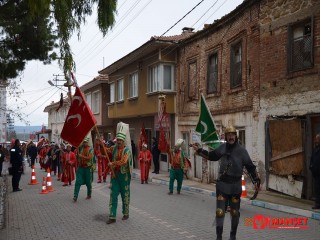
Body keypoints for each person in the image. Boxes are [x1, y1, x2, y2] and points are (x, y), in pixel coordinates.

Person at [191, 126, 260, 240]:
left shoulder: (242, 151)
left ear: (235, 136)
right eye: (229, 135)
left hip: (235, 186)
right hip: (222, 185)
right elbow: (211, 156)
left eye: (233, 135)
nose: (231, 137)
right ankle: (219, 236)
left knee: (234, 213)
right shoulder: (222, 148)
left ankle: (232, 236)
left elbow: (250, 167)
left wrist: (257, 180)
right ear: (226, 136)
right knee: (220, 212)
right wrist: (199, 150)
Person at [106, 122, 133, 224]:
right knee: (113, 195)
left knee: (125, 196)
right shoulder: (114, 148)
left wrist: (112, 163)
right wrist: (100, 144)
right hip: (114, 176)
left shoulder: (127, 151)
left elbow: (123, 162)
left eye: (121, 140)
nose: (119, 142)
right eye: (118, 140)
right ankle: (112, 216)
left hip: (124, 177)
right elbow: (107, 151)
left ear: (124, 141)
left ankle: (126, 213)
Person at [73, 137, 94, 202]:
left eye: (85, 142)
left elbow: (89, 158)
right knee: (78, 181)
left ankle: (89, 194)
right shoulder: (80, 148)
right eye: (84, 142)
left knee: (88, 183)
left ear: (87, 142)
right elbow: (77, 157)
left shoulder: (90, 149)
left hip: (88, 168)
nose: (84, 143)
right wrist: (77, 155)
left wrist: (81, 156)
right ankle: (75, 196)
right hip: (81, 168)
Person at [309, 133, 320, 210]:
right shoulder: (315, 148)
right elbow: (312, 159)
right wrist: (311, 166)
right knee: (317, 189)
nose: (316, 140)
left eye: (317, 139)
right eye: (316, 139)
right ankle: (318, 203)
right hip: (315, 173)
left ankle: (318, 204)